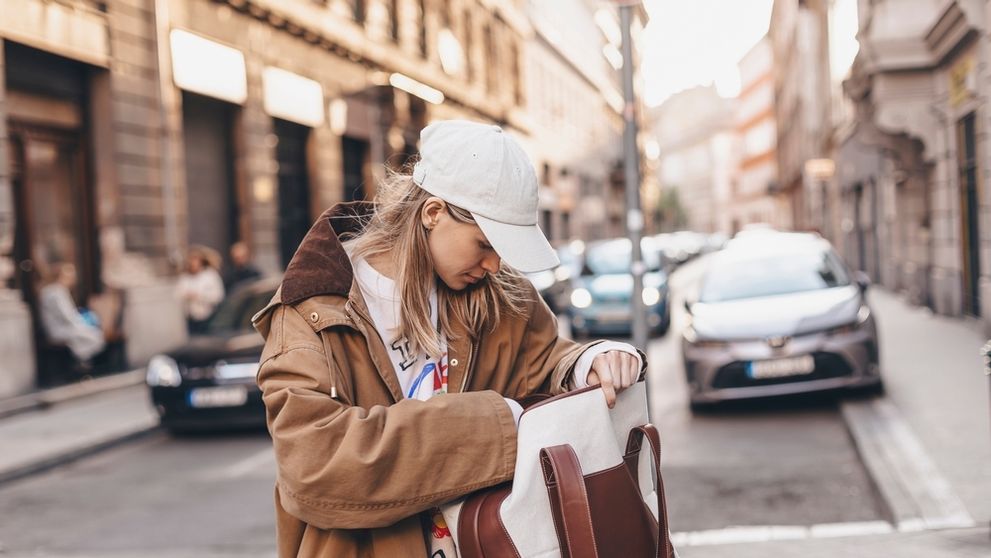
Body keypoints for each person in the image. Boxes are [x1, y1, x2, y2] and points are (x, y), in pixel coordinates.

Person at [253, 120, 645, 558]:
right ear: (433, 213)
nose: (496, 264)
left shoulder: (499, 296)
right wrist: (496, 425)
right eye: (485, 243)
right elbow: (315, 465)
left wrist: (589, 360)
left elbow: (547, 358)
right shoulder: (309, 312)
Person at [38, 262, 106, 364]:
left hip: (62, 328)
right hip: (59, 330)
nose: (73, 279)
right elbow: (67, 316)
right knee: (94, 336)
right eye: (71, 275)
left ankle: (82, 361)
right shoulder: (56, 292)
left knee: (91, 335)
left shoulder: (55, 290)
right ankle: (81, 362)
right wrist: (82, 323)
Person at [176, 245, 225, 334]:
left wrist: (200, 296)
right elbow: (178, 295)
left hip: (208, 318)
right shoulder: (184, 278)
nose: (192, 263)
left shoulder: (211, 276)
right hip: (191, 319)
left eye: (195, 260)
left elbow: (218, 296)